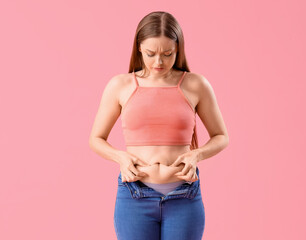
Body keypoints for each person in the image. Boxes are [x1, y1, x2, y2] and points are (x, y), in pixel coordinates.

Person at [89, 11, 229, 240]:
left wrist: (197, 155)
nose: (159, 62)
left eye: (167, 54)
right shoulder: (120, 85)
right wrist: (121, 158)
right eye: (151, 53)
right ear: (138, 48)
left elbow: (221, 135)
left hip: (184, 195)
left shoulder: (195, 84)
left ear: (178, 49)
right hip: (135, 195)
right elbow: (96, 138)